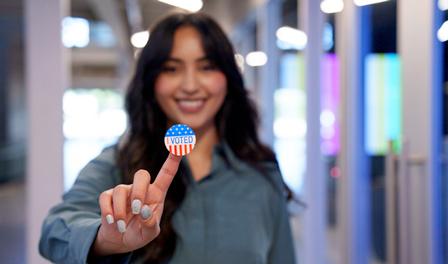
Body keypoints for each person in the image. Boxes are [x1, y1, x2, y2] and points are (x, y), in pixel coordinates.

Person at [39, 12, 296, 264]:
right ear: (151, 81)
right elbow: (54, 232)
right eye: (171, 69)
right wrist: (105, 239)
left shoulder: (261, 172)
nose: (190, 85)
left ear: (228, 78)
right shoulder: (116, 164)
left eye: (206, 67)